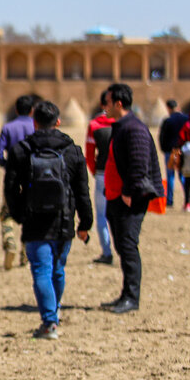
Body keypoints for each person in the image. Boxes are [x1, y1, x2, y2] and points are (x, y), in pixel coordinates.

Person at [4, 100, 92, 340]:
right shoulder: (72, 150)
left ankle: (50, 321)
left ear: (34, 122)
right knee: (57, 269)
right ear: (58, 122)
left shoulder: (22, 150)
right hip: (64, 220)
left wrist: (19, 214)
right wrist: (85, 223)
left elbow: (11, 188)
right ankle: (54, 311)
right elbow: (82, 191)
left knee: (41, 270)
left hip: (34, 221)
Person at [102, 83, 164, 314]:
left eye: (107, 102)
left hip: (130, 197)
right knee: (122, 245)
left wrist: (128, 191)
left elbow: (139, 164)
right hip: (117, 196)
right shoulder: (123, 126)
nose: (104, 107)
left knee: (128, 245)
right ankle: (125, 294)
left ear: (118, 104)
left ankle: (132, 298)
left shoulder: (134, 128)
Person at [0, 95, 36, 270]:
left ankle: (9, 241)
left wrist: (7, 165)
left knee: (7, 213)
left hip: (12, 177)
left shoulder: (8, 127)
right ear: (32, 111)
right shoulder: (36, 127)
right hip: (32, 178)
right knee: (30, 215)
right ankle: (25, 254)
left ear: (16, 110)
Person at [84, 91, 115, 264]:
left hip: (103, 173)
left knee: (102, 215)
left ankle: (107, 251)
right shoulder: (122, 122)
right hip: (121, 174)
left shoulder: (95, 125)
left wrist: (95, 171)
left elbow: (89, 154)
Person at [159, 99, 189, 207]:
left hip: (170, 151)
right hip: (183, 150)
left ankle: (170, 200)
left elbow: (162, 137)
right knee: (183, 175)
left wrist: (164, 148)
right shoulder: (186, 119)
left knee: (170, 176)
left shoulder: (168, 120)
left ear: (168, 108)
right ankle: (187, 199)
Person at [175, 105, 190, 213]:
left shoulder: (187, 126)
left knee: (187, 182)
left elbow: (181, 140)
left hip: (187, 158)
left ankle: (186, 204)